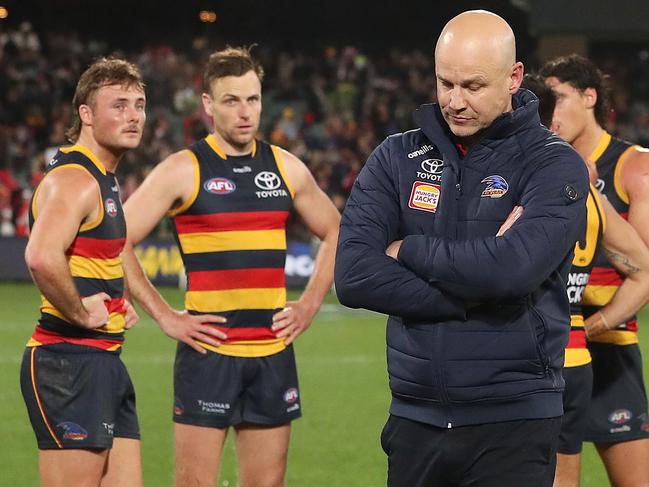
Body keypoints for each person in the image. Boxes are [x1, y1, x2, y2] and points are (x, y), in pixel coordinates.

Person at [335, 10, 589, 487]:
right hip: (415, 419)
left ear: (514, 78)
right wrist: (481, 286)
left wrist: (407, 248)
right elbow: (353, 274)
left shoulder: (554, 165)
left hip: (513, 421)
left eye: (472, 86)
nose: (454, 101)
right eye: (444, 83)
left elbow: (513, 270)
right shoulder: (396, 156)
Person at [121, 46, 340, 487]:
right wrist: (165, 316)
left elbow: (337, 230)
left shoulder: (285, 168)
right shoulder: (182, 170)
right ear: (208, 105)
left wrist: (310, 303)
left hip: (272, 354)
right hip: (208, 356)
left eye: (253, 99)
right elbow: (114, 239)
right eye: (231, 100)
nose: (245, 112)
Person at [19, 58, 145, 487]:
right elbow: (40, 256)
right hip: (67, 363)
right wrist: (78, 312)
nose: (134, 116)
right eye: (119, 105)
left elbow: (91, 257)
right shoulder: (77, 178)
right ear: (86, 115)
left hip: (103, 361)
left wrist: (114, 305)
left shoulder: (105, 178)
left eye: (140, 105)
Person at [541, 54, 649, 487]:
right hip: (552, 349)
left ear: (590, 97)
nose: (550, 113)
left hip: (610, 348)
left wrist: (597, 323)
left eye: (560, 99)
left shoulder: (633, 166)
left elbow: (645, 267)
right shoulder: (544, 167)